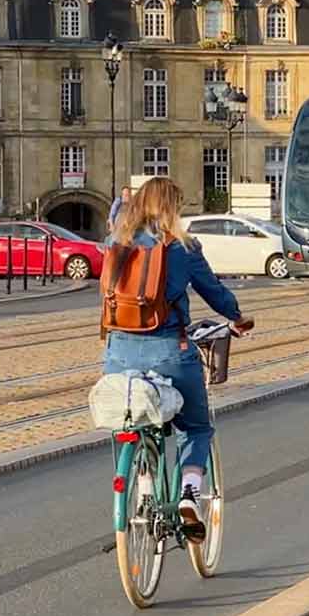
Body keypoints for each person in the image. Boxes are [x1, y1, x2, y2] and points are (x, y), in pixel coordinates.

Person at [104, 176, 254, 541]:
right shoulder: (182, 247)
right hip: (170, 352)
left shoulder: (116, 243)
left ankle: (139, 481)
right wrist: (236, 316)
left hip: (117, 355)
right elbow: (214, 292)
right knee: (197, 427)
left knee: (129, 423)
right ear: (172, 209)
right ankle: (188, 494)